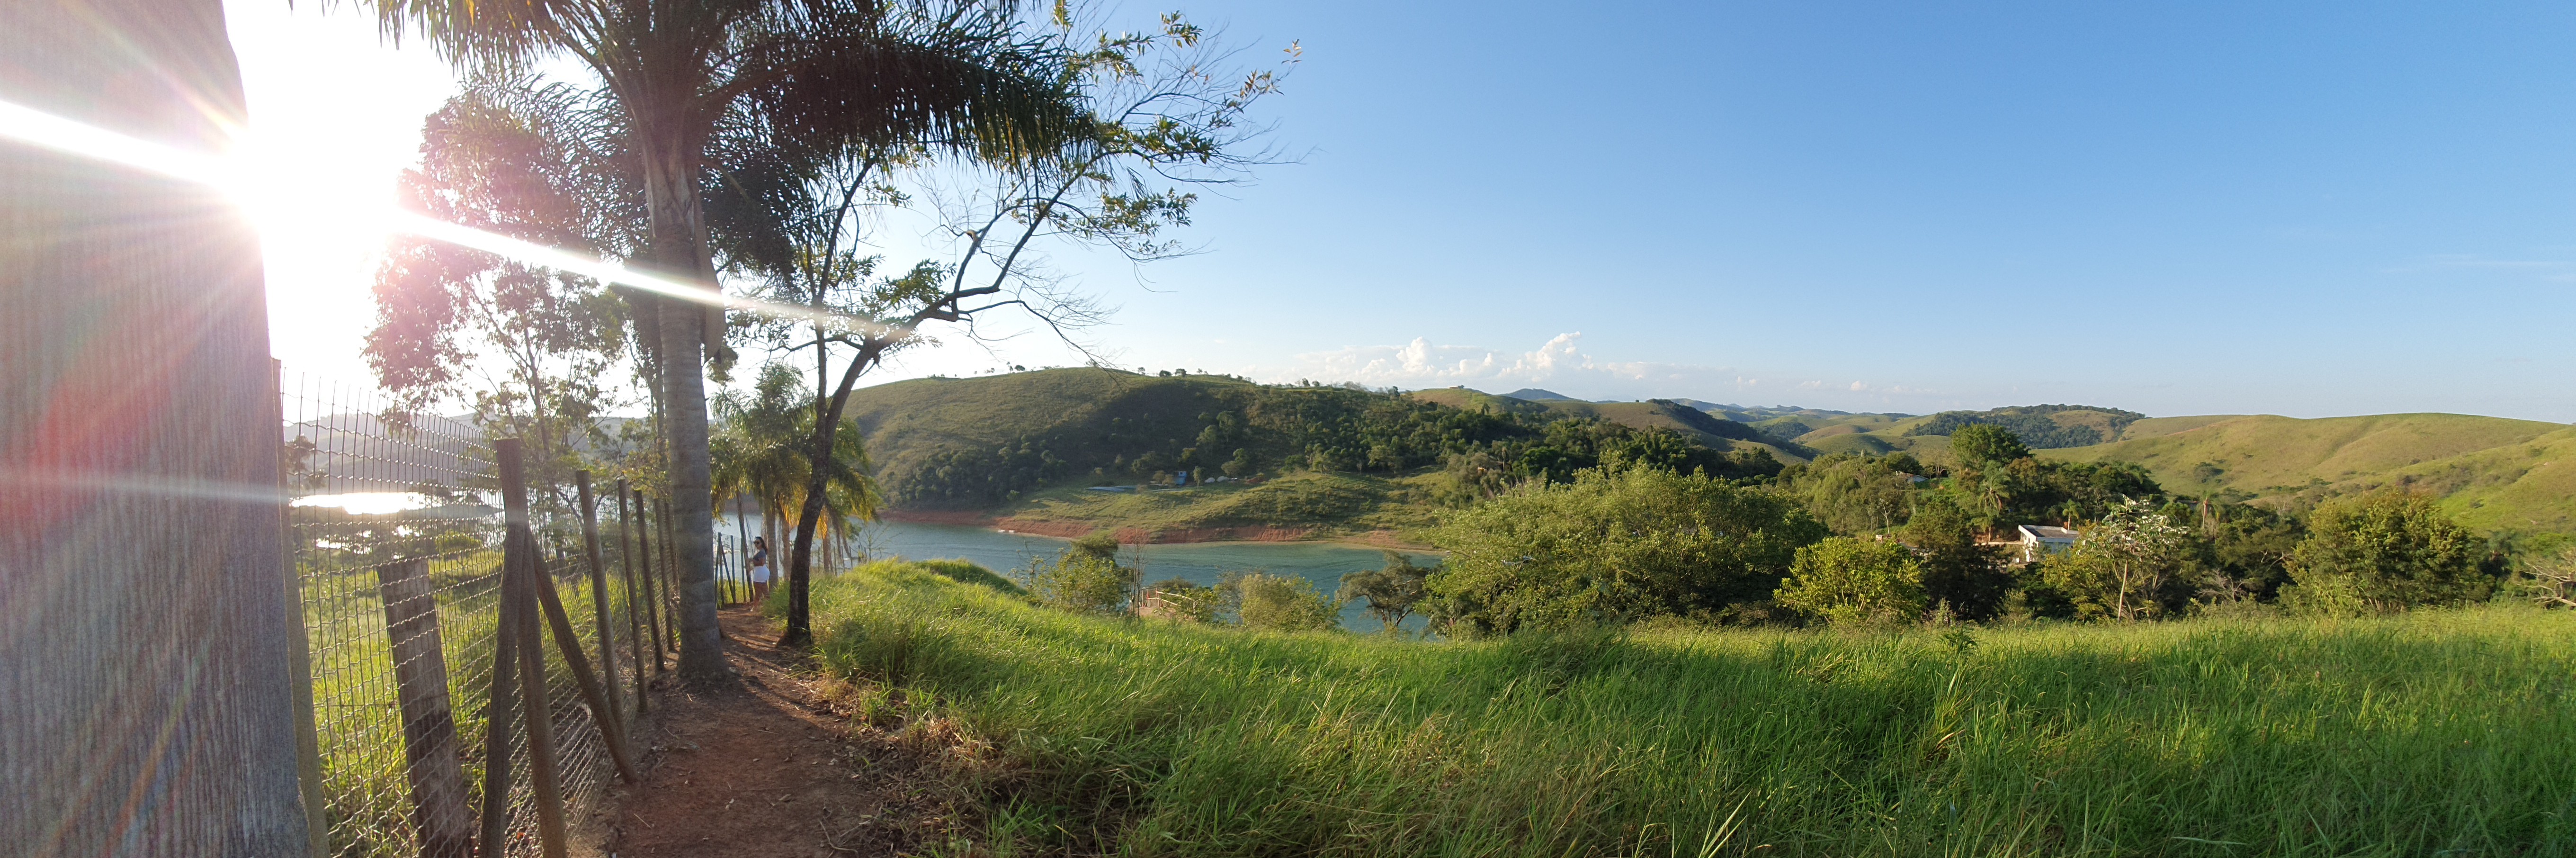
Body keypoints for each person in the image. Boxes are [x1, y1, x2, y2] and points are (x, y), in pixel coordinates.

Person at [748, 536, 771, 606]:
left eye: (758, 543)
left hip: (760, 572)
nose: (756, 544)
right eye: (755, 543)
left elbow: (762, 563)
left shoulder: (761, 552)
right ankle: (769, 607)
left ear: (761, 543)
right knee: (765, 590)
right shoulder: (760, 551)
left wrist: (752, 560)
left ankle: (755, 608)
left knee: (758, 591)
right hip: (761, 572)